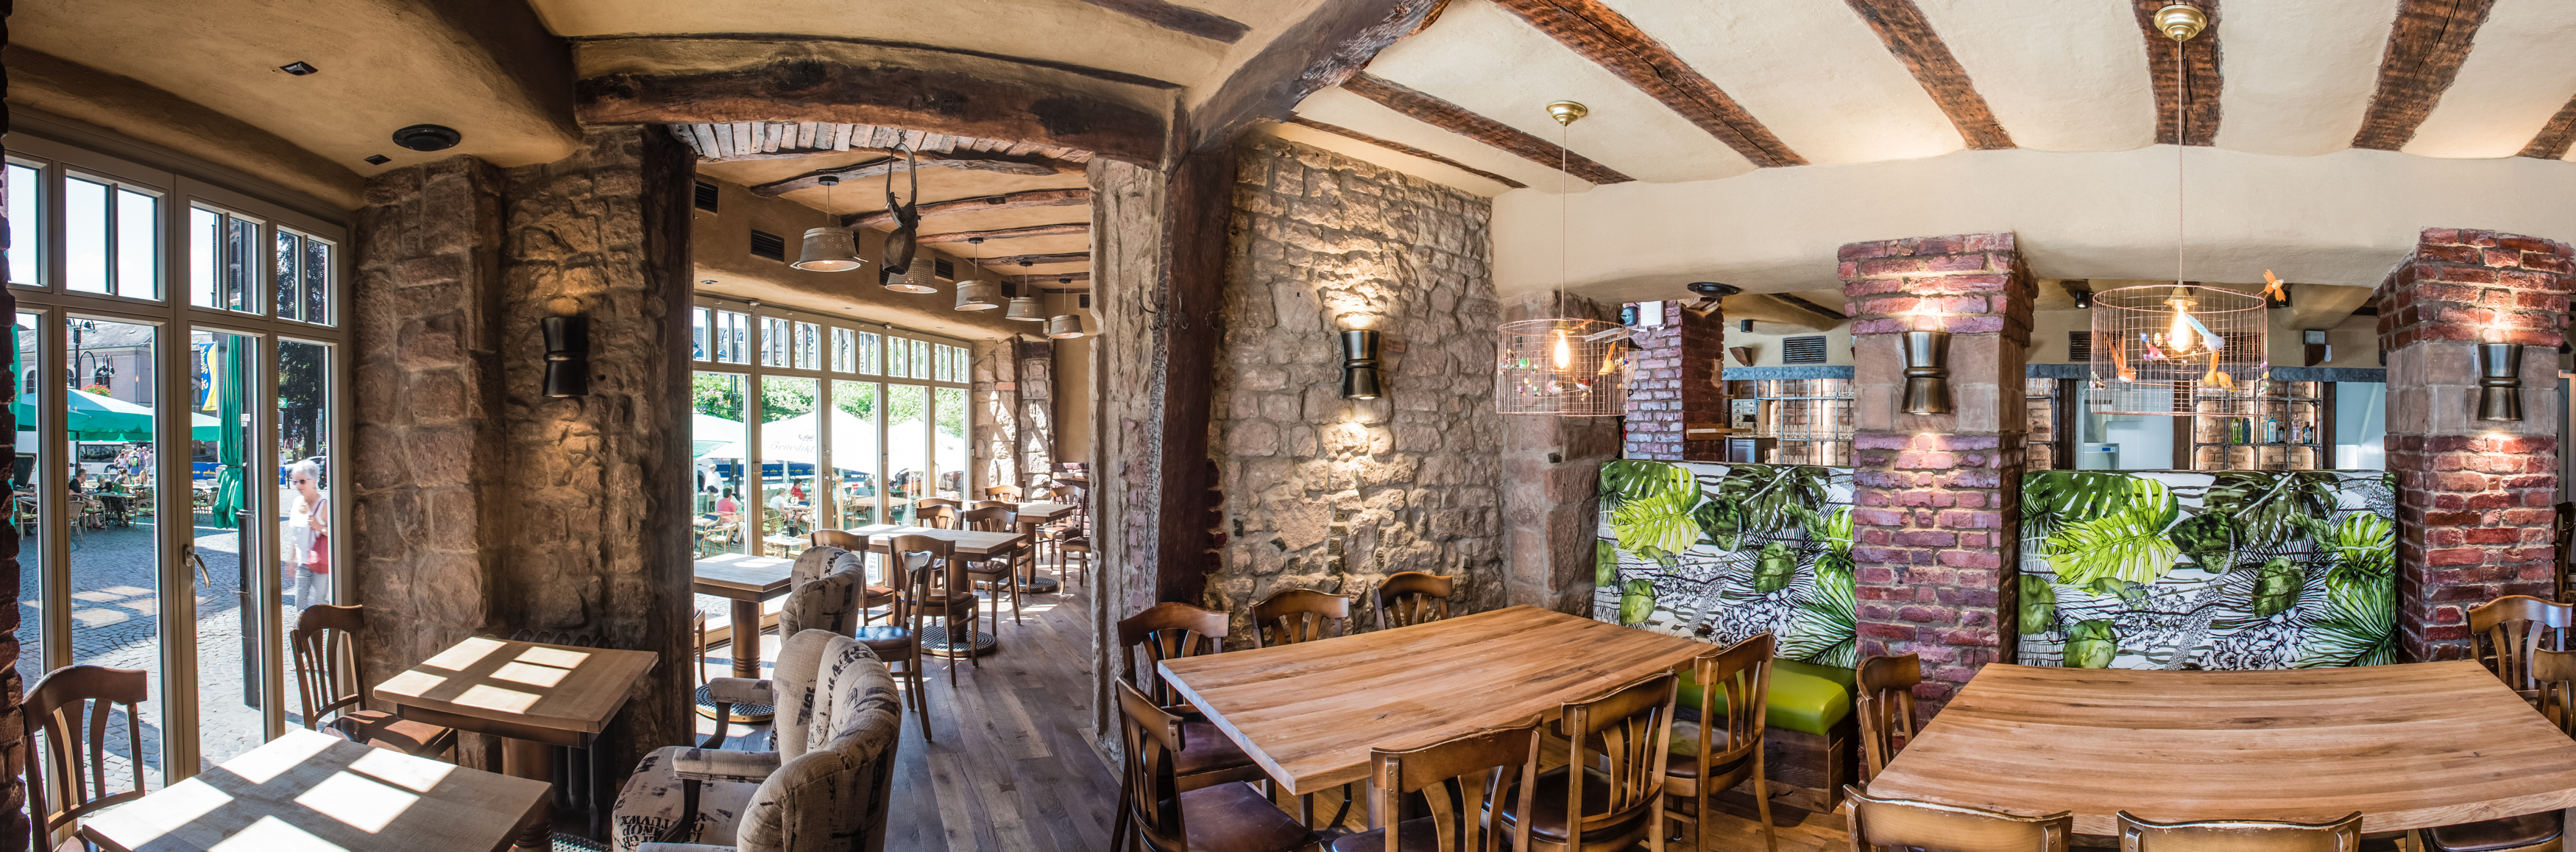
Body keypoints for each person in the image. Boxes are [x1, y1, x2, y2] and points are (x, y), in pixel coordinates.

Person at [284, 459, 330, 609]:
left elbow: (337, 536)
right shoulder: (297, 502)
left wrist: (319, 527)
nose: (298, 485)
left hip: (320, 564)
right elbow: (295, 535)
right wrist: (291, 560)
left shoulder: (324, 505)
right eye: (295, 481)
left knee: (316, 606)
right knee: (301, 606)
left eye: (302, 481)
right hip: (302, 563)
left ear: (314, 481)